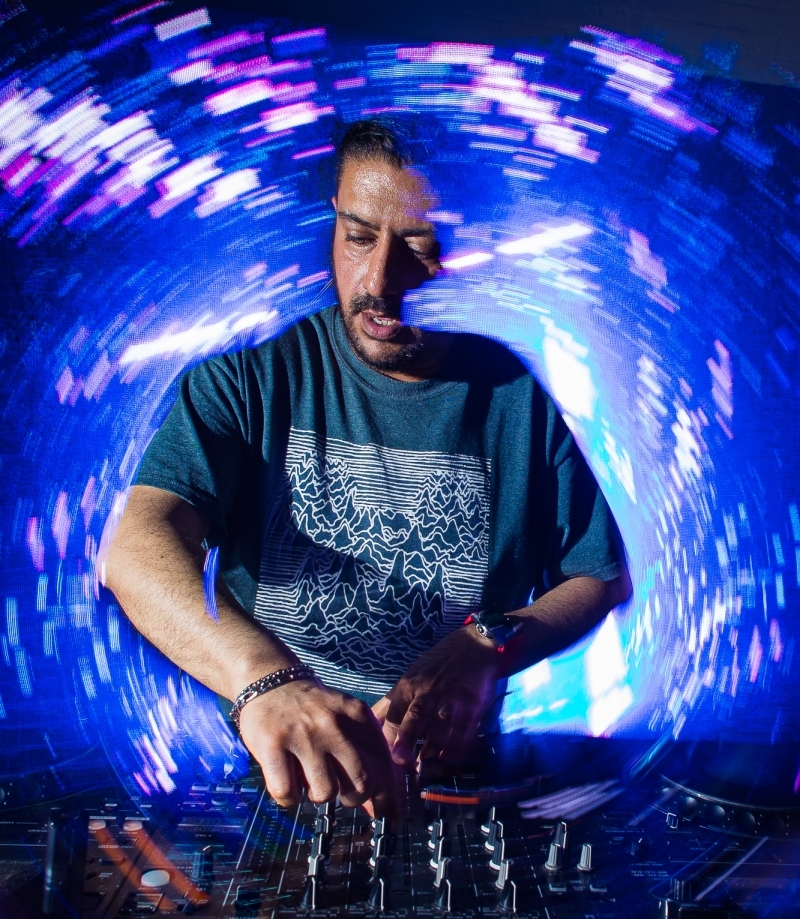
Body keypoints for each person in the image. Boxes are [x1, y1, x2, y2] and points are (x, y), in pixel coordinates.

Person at [102, 119, 632, 816]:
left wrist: (488, 645)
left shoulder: (520, 398)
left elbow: (598, 576)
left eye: (421, 247)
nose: (380, 281)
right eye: (357, 237)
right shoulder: (246, 384)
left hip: (462, 793)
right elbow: (136, 551)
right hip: (276, 795)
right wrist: (266, 682)